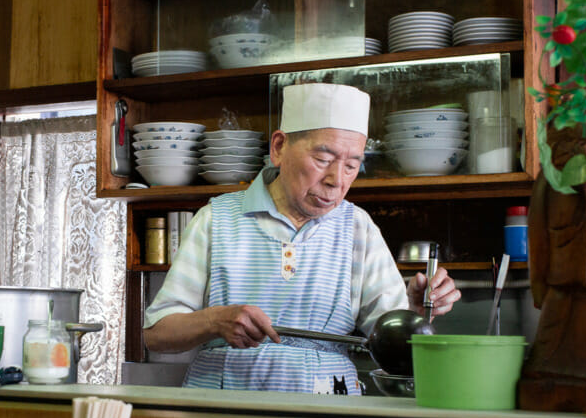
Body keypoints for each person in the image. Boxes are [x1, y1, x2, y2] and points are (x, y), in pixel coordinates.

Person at [143, 83, 461, 393]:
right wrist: (213, 321)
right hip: (223, 410)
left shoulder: (358, 228)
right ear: (279, 147)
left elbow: (391, 338)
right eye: (322, 160)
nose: (336, 180)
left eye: (352, 165)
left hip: (326, 415)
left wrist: (417, 312)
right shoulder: (217, 219)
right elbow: (156, 334)